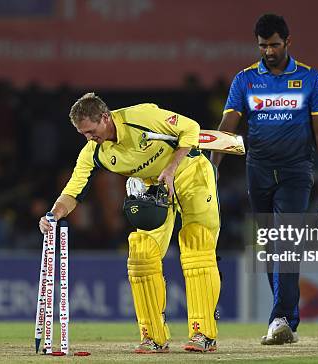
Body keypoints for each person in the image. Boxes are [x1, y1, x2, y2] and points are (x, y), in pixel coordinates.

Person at [39, 93, 221, 353]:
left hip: (190, 173)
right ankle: (153, 337)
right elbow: (74, 190)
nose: (89, 138)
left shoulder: (142, 116)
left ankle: (203, 335)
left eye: (91, 131)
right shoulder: (94, 151)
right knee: (141, 255)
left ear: (105, 117)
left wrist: (170, 169)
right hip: (152, 188)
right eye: (83, 134)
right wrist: (53, 215)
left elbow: (190, 128)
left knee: (197, 245)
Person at [211, 14, 318, 344]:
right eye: (263, 46)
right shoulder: (245, 80)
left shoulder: (311, 79)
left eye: (274, 45)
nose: (268, 52)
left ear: (288, 42)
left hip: (297, 172)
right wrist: (212, 167)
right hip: (257, 172)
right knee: (272, 247)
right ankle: (288, 320)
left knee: (287, 242)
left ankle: (279, 318)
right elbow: (227, 127)